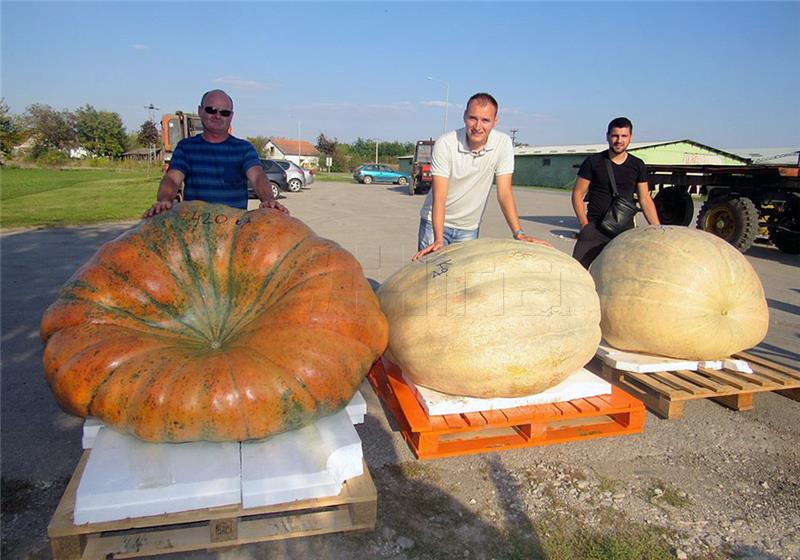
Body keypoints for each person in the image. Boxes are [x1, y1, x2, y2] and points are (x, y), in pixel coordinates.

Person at [412, 93, 549, 261]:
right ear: (464, 116)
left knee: (463, 281)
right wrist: (438, 240)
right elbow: (439, 196)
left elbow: (504, 193)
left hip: (469, 228)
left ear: (495, 121)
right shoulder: (446, 143)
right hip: (435, 225)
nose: (478, 126)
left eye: (485, 120)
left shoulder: (503, 144)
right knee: (430, 279)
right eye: (472, 118)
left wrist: (519, 233)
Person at [143, 89, 287, 218]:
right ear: (200, 111)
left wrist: (268, 200)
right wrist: (164, 200)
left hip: (233, 230)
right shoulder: (186, 147)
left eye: (224, 112)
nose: (217, 116)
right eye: (211, 110)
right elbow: (173, 179)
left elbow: (257, 177)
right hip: (195, 226)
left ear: (231, 116)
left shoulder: (244, 149)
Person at [571, 117, 660, 268]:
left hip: (624, 230)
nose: (619, 140)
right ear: (607, 136)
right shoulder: (594, 161)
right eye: (615, 136)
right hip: (594, 228)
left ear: (630, 137)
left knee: (625, 273)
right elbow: (577, 194)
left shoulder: (637, 165)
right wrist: (584, 224)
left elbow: (645, 199)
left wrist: (657, 228)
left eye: (624, 136)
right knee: (577, 270)